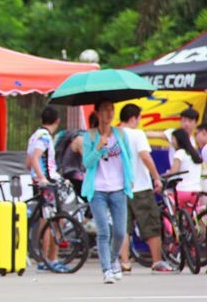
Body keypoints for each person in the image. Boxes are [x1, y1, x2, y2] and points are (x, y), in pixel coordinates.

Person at [81, 98, 134, 284]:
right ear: (97, 113)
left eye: (111, 109)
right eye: (104, 110)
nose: (109, 113)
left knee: (119, 232)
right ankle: (107, 270)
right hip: (98, 190)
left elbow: (129, 157)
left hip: (118, 188)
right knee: (103, 232)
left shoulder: (120, 134)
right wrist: (97, 148)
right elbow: (86, 163)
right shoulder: (89, 136)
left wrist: (131, 179)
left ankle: (112, 259)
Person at [118, 104, 173, 274]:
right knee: (150, 225)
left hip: (119, 188)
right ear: (133, 118)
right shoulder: (137, 134)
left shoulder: (114, 134)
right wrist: (156, 177)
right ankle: (157, 261)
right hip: (140, 187)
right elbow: (145, 156)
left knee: (123, 227)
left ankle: (125, 263)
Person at [25, 106, 69, 273]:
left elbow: (28, 162)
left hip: (39, 183)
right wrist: (42, 177)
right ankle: (51, 259)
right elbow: (35, 158)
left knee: (48, 221)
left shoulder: (34, 136)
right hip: (48, 183)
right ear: (57, 121)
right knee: (55, 221)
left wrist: (37, 177)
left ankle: (47, 259)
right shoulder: (45, 137)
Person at [162, 128, 202, 210]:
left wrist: (163, 176)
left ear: (179, 140)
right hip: (196, 191)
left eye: (173, 139)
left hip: (183, 191)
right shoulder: (195, 154)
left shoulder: (179, 153)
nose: (172, 142)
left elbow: (173, 173)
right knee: (192, 215)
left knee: (169, 212)